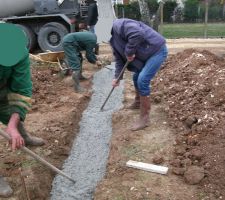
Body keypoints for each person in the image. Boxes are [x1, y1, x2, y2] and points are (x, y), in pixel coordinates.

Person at [0, 23, 44, 197]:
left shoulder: (18, 51)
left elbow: (22, 90)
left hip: (3, 88)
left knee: (12, 109)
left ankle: (22, 135)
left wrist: (12, 125)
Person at [110, 18, 168, 131]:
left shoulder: (119, 24)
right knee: (136, 76)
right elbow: (119, 60)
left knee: (142, 79)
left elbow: (137, 33)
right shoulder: (113, 41)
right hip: (147, 54)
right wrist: (117, 77)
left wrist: (129, 52)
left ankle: (144, 118)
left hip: (157, 50)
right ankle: (137, 102)